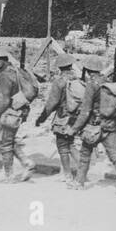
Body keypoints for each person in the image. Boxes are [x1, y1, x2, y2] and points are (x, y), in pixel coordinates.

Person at [70, 55, 116, 194]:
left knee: (85, 153)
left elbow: (85, 111)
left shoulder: (91, 85)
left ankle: (79, 182)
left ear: (87, 70)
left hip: (95, 127)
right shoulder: (107, 82)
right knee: (114, 154)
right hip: (111, 125)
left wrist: (74, 128)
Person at [0, 46, 36, 183]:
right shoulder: (14, 71)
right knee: (9, 140)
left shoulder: (5, 75)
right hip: (20, 110)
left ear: (3, 59)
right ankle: (27, 163)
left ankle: (9, 176)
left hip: (10, 113)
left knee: (3, 144)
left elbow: (4, 99)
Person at [35, 52, 81, 182]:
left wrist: (42, 118)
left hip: (62, 117)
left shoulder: (59, 82)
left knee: (62, 146)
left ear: (60, 67)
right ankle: (83, 170)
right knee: (71, 144)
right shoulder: (77, 80)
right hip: (75, 118)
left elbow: (52, 103)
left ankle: (67, 175)